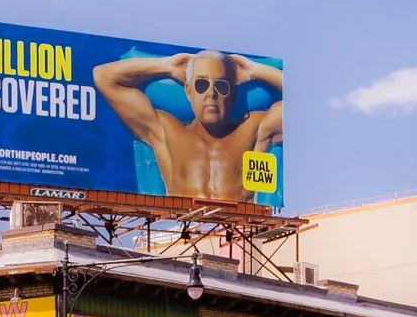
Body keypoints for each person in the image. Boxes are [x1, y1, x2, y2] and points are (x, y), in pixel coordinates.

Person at [91, 50, 285, 203]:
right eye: (201, 85)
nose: (211, 94)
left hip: (237, 231)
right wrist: (168, 66)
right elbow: (103, 76)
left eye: (221, 86)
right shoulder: (167, 132)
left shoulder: (253, 130)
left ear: (232, 94)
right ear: (189, 91)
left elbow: (300, 101)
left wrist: (253, 70)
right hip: (184, 229)